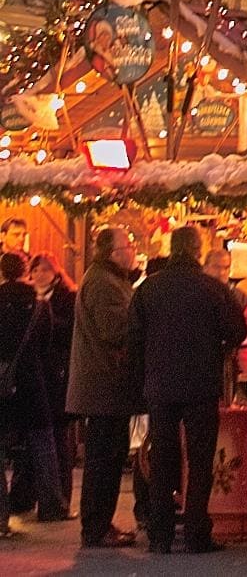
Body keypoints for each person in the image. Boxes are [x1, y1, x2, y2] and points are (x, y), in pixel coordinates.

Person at [129, 225, 245, 555]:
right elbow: (237, 330)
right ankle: (196, 533)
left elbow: (134, 337)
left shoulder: (149, 288)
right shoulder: (212, 288)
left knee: (162, 459)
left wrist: (141, 380)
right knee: (200, 460)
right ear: (198, 250)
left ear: (171, 248)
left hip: (160, 386)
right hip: (201, 384)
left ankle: (160, 534)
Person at [67, 228, 138, 549]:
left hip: (106, 384)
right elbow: (115, 329)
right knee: (103, 459)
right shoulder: (103, 283)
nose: (132, 250)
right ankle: (96, 527)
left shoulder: (108, 279)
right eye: (128, 246)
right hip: (104, 384)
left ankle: (100, 524)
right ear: (113, 253)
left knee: (108, 456)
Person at [0, 251, 62, 531]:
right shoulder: (38, 305)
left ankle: (1, 515)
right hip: (32, 380)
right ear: (25, 270)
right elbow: (46, 344)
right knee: (43, 443)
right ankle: (51, 505)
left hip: (2, 383)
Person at [26, 254, 75, 515]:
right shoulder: (26, 298)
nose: (40, 274)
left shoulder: (66, 297)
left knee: (58, 436)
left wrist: (47, 318)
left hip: (57, 374)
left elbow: (68, 331)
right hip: (34, 375)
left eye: (45, 269)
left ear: (56, 273)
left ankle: (60, 497)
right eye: (36, 269)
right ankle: (29, 495)